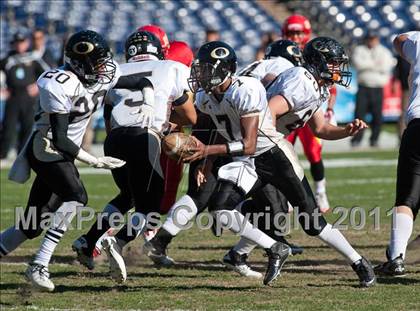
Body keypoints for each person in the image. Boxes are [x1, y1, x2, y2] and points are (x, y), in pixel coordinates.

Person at [72, 31, 196, 283]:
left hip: (115, 139)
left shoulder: (116, 70)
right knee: (151, 205)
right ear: (159, 49)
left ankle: (87, 241)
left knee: (127, 194)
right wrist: (168, 126)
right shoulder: (172, 67)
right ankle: (117, 241)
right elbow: (190, 116)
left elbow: (108, 119)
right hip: (144, 136)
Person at [375, 31, 420, 276]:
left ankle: (396, 258)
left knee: (407, 198)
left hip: (418, 126)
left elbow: (398, 40)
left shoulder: (418, 41)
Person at [282, 14, 334, 212]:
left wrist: (329, 108)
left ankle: (320, 192)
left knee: (313, 152)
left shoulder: (315, 52)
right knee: (285, 154)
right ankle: (285, 194)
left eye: (299, 32)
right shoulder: (280, 51)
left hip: (311, 110)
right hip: (288, 110)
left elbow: (332, 86)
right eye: (292, 32)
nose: (295, 36)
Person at [0, 31, 48, 159]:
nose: (19, 46)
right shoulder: (8, 60)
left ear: (26, 43)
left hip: (28, 98)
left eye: (21, 43)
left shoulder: (33, 58)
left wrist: (37, 86)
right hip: (13, 97)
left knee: (27, 127)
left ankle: (22, 154)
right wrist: (2, 88)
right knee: (8, 127)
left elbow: (47, 75)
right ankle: (3, 154)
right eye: (16, 43)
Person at [351, 31, 395, 147]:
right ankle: (356, 139)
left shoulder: (384, 51)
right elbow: (358, 64)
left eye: (374, 38)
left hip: (377, 87)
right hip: (363, 86)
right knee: (359, 115)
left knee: (377, 116)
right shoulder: (360, 49)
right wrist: (375, 65)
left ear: (378, 39)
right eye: (370, 38)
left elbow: (386, 67)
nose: (371, 41)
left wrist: (368, 65)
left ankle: (374, 139)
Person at [393, 55, 411, 140]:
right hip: (407, 89)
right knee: (405, 113)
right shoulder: (403, 54)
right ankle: (402, 137)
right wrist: (395, 82)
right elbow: (398, 71)